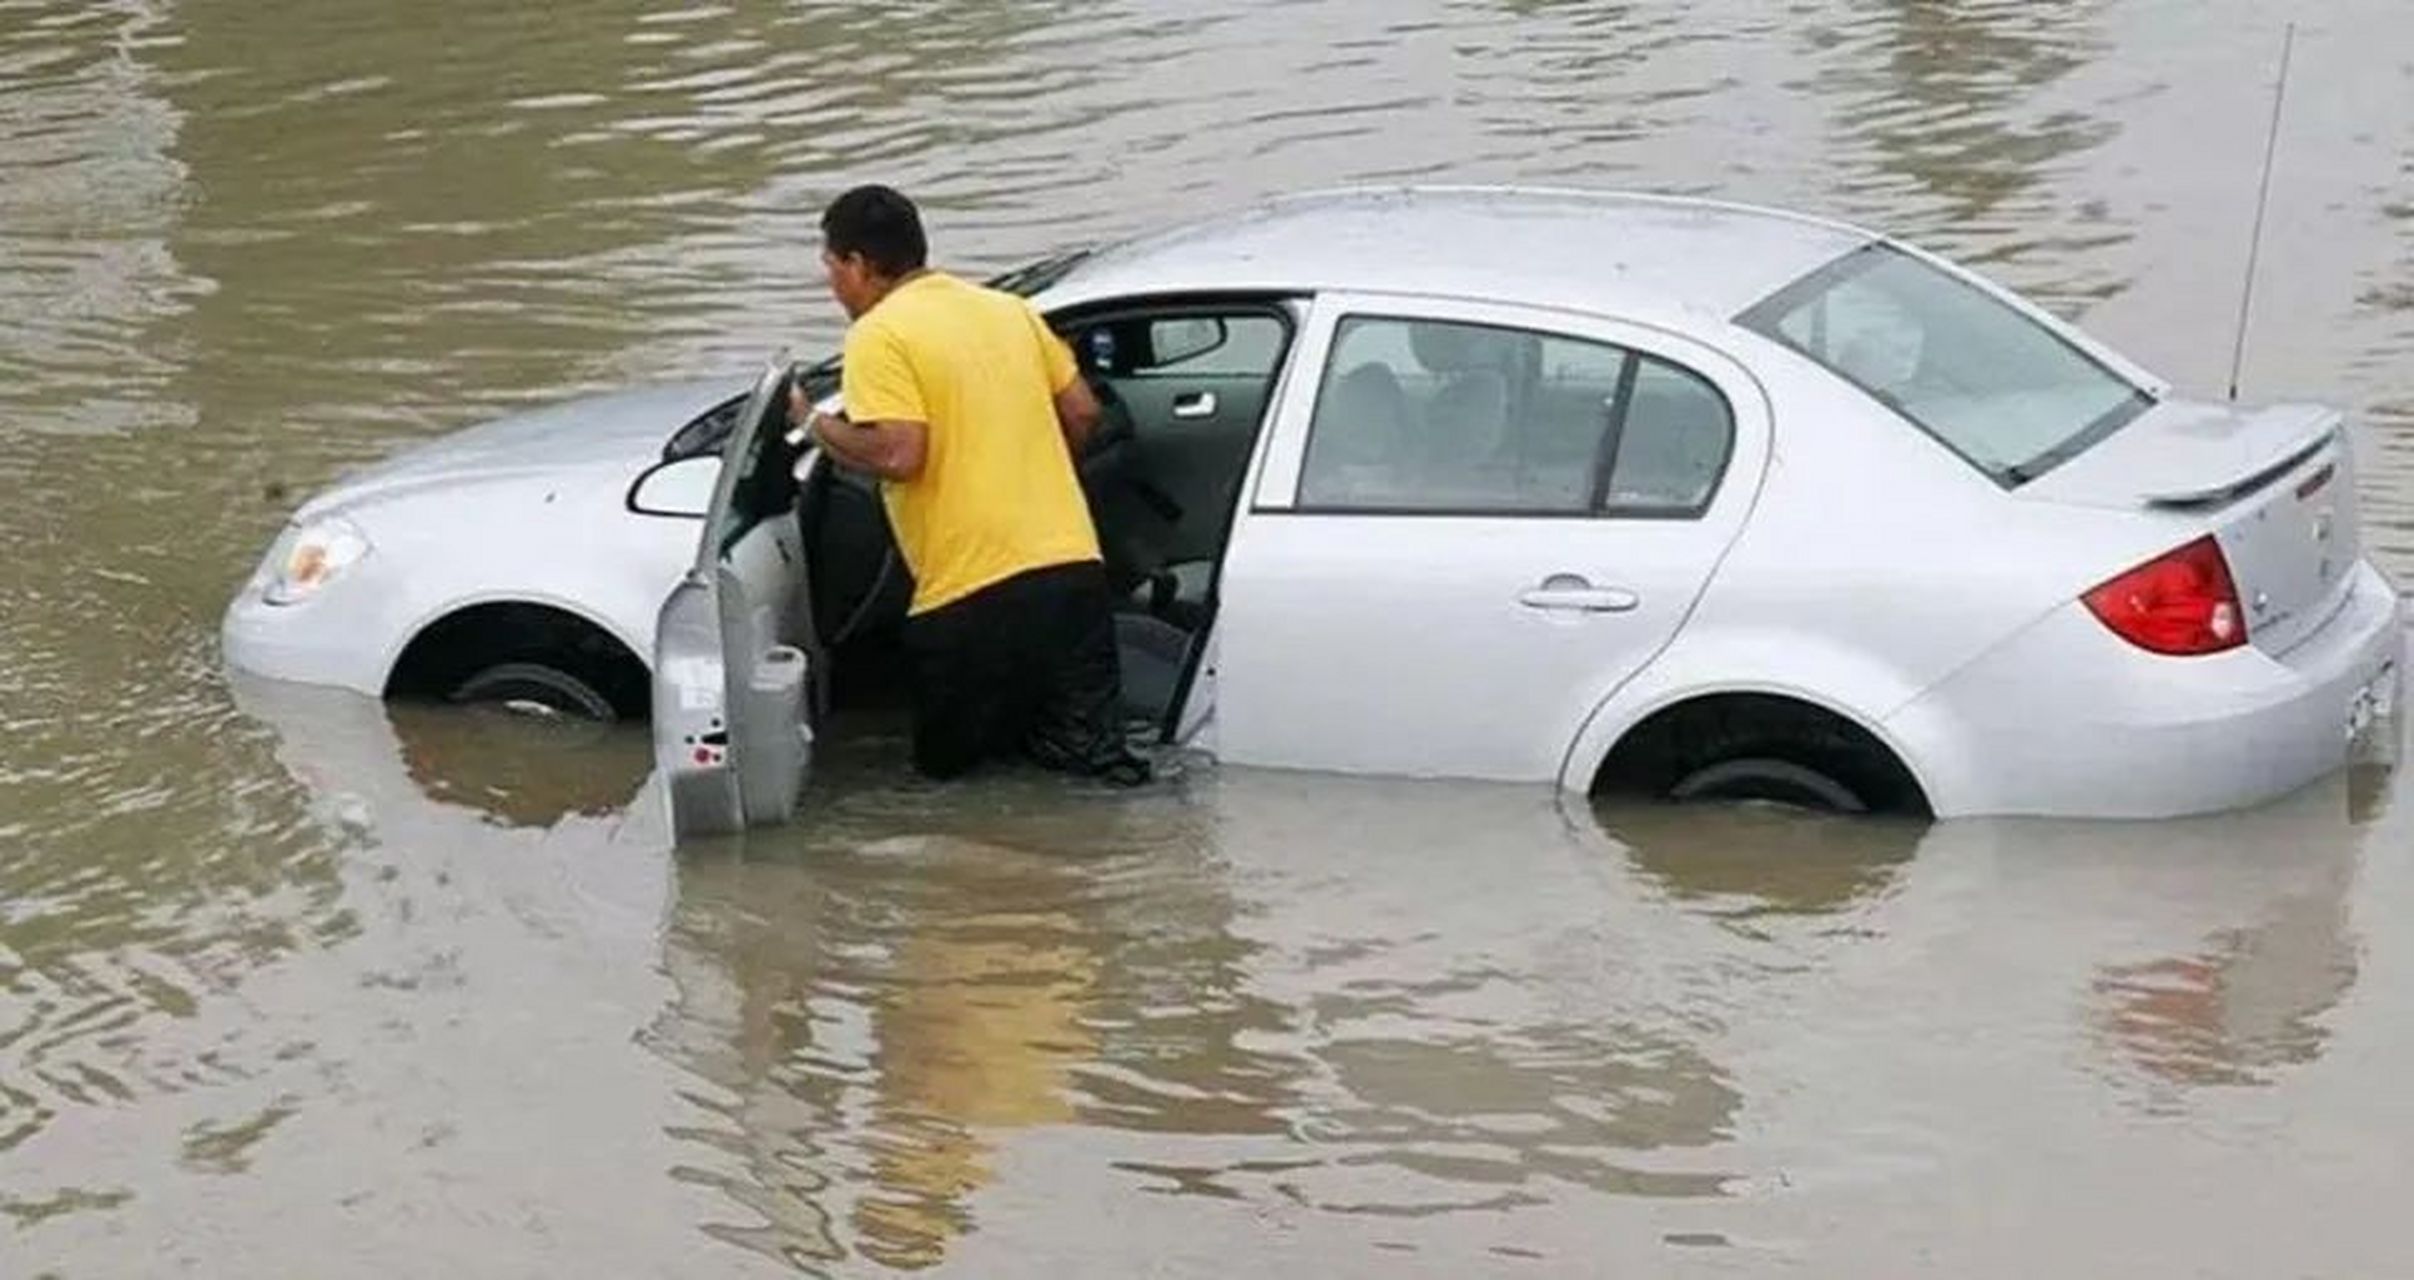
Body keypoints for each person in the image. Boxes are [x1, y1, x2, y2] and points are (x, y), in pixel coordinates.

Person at [793, 184, 1149, 786]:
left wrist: (810, 421)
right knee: (1095, 768)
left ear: (857, 264)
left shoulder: (879, 335)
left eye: (830, 268)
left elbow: (901, 452)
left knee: (956, 786)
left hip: (971, 594)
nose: (832, 286)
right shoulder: (1008, 311)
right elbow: (1084, 413)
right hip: (1072, 573)